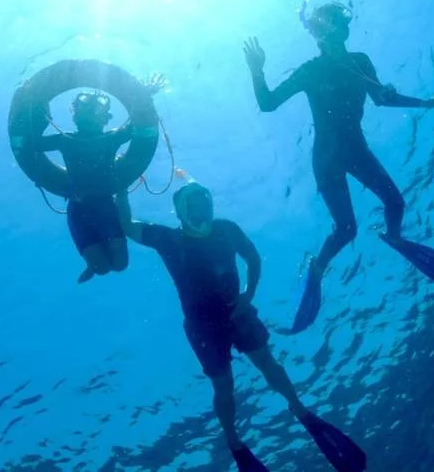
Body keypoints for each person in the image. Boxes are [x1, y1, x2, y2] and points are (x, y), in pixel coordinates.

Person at [117, 181, 367, 472]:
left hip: (239, 313)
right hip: (204, 328)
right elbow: (128, 226)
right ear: (181, 213)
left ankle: (297, 407)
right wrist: (122, 190)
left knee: (267, 362)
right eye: (193, 206)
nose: (201, 211)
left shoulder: (226, 229)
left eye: (205, 203)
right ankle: (234, 440)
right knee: (224, 386)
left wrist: (248, 294)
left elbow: (252, 256)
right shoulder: (168, 238)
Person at [242, 2, 434, 332]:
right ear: (317, 36)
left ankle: (394, 239)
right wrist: (257, 69)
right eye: (322, 30)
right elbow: (268, 104)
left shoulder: (361, 62)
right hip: (327, 156)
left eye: (336, 27)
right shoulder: (310, 70)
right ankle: (317, 267)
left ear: (342, 30)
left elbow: (382, 98)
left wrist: (424, 103)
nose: (330, 35)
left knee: (396, 203)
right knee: (347, 229)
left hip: (356, 150)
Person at [40, 75, 164, 283]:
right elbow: (33, 147)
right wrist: (40, 113)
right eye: (85, 109)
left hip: (105, 204)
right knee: (103, 268)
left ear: (104, 118)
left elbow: (138, 124)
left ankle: (95, 260)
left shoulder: (109, 138)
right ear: (75, 114)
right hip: (79, 209)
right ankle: (93, 264)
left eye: (94, 111)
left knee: (120, 264)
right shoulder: (66, 140)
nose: (89, 115)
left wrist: (145, 96)